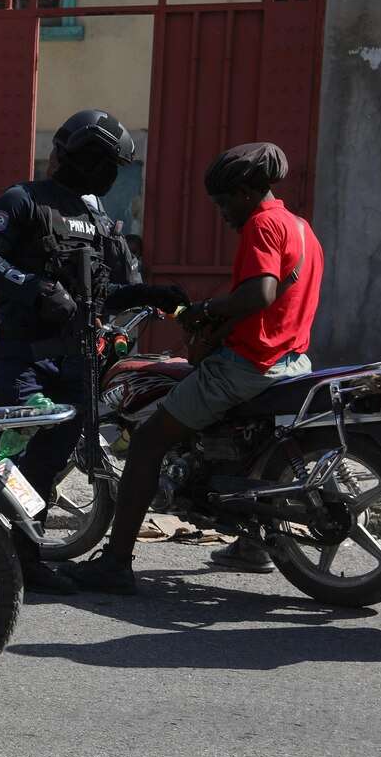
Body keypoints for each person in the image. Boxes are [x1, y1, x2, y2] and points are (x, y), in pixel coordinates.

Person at [67, 142, 324, 594]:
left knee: (147, 441)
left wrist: (202, 311)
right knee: (244, 445)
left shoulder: (262, 226)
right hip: (291, 361)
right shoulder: (301, 227)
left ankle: (115, 563)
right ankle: (253, 545)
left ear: (246, 191)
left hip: (249, 364)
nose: (223, 214)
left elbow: (260, 294)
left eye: (225, 203)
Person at [0, 109, 188, 594]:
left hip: (77, 364)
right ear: (83, 157)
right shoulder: (23, 200)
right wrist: (34, 287)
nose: (113, 175)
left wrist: (150, 295)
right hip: (22, 356)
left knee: (45, 466)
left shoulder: (98, 220)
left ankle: (24, 557)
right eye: (108, 163)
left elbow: (108, 292)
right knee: (11, 447)